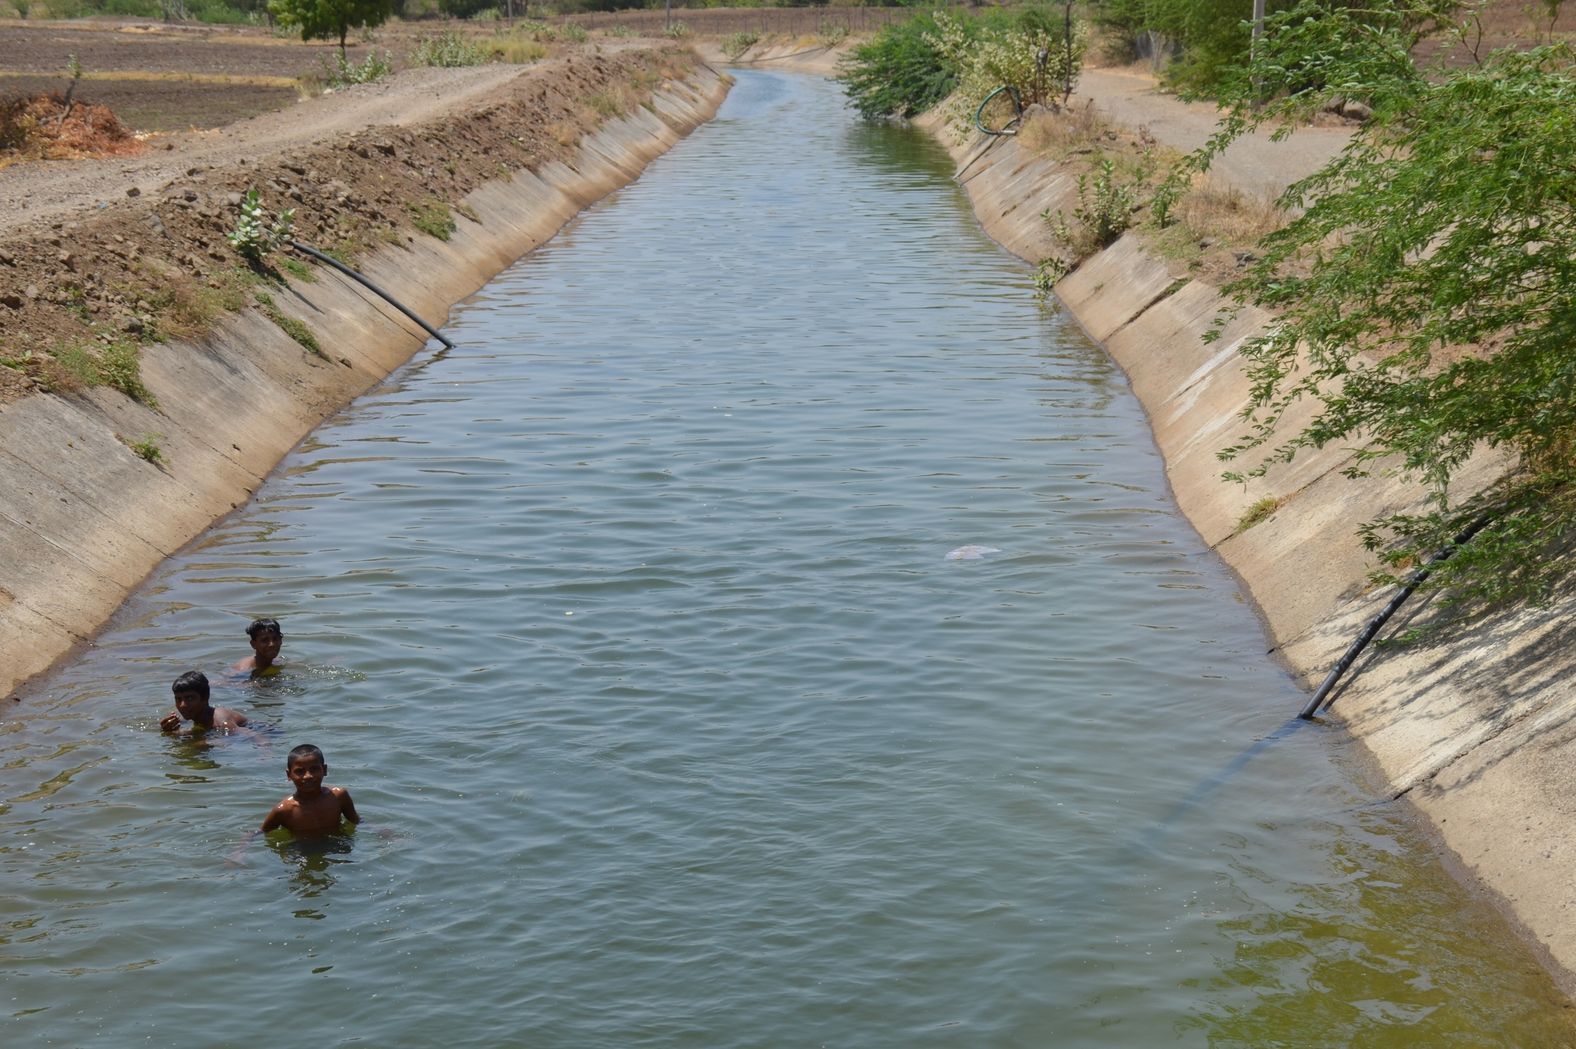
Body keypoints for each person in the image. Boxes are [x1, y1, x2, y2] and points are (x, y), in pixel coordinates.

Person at [261, 744, 360, 837]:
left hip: (336, 844)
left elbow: (356, 820)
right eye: (300, 771)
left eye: (314, 769)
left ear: (324, 770)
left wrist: (374, 829)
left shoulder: (339, 796)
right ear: (289, 775)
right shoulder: (284, 810)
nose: (308, 776)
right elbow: (261, 832)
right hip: (301, 850)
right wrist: (245, 846)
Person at [159, 670, 250, 735]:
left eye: (190, 698)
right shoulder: (183, 716)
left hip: (258, 729)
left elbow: (251, 735)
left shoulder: (221, 722)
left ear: (205, 698)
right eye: (178, 699)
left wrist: (200, 742)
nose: (182, 705)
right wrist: (166, 729)